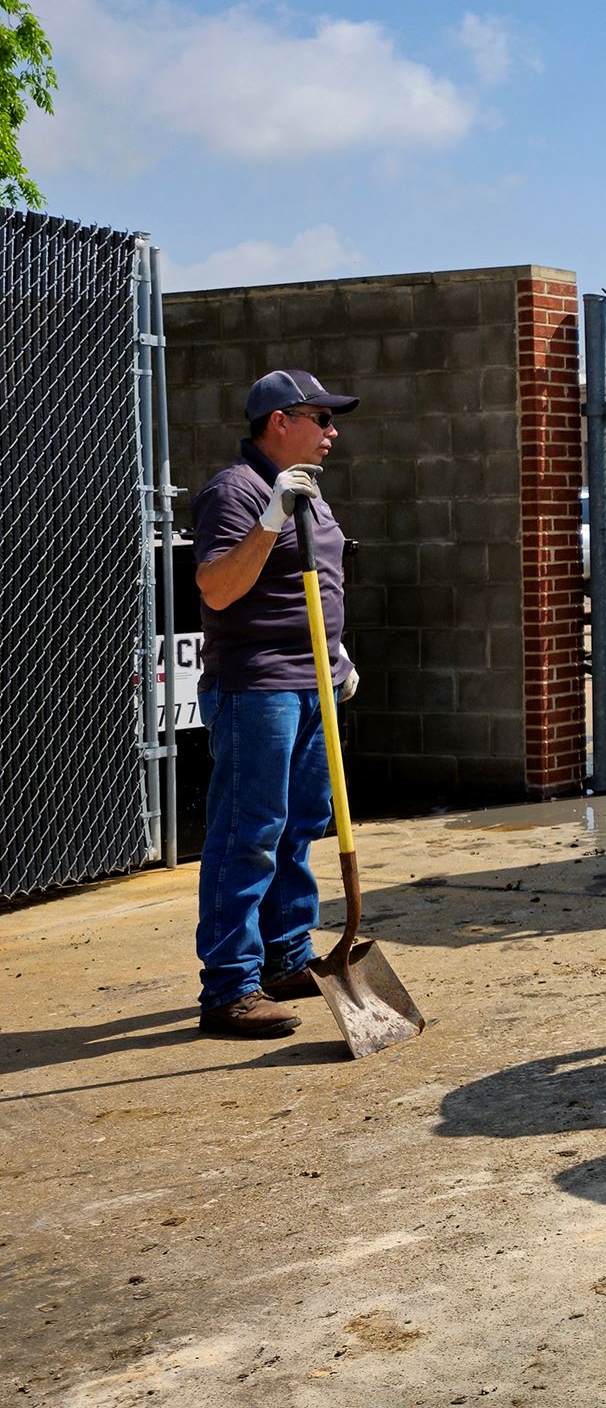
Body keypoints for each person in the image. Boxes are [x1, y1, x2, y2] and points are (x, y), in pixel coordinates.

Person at [188, 369, 362, 1038]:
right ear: (280, 421)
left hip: (314, 680)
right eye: (321, 418)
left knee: (301, 825)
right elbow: (218, 588)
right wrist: (269, 519)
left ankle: (287, 957)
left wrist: (338, 656)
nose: (332, 432)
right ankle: (230, 987)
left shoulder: (307, 488)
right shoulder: (236, 491)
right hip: (258, 688)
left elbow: (314, 583)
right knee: (249, 833)